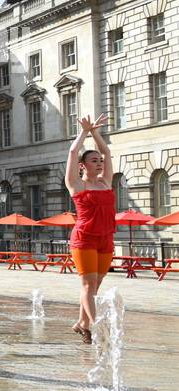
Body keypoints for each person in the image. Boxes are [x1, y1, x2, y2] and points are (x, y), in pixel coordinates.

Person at [65, 114, 115, 344]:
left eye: (99, 161)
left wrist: (96, 133)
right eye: (94, 160)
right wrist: (84, 132)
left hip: (106, 238)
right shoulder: (76, 184)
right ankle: (95, 327)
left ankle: (81, 323)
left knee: (96, 285)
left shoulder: (105, 182)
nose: (100, 163)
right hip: (84, 239)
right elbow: (73, 153)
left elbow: (107, 152)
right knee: (88, 284)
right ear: (83, 166)